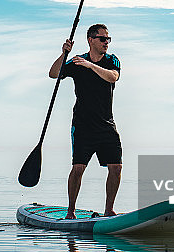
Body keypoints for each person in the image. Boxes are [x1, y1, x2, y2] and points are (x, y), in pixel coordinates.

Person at [49, 24, 122, 219]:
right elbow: (54, 74)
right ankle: (71, 212)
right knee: (78, 168)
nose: (106, 42)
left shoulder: (111, 60)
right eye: (102, 39)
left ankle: (109, 210)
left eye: (108, 39)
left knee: (116, 167)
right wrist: (64, 54)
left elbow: (112, 77)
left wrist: (90, 65)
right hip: (82, 125)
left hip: (106, 125)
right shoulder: (76, 62)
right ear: (91, 40)